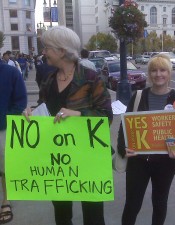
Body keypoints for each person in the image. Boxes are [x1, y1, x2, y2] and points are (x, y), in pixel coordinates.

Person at [23, 26, 113, 225]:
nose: (43, 52)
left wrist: (79, 114)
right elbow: (44, 107)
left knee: (93, 215)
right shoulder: (48, 79)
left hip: (88, 159)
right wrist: (32, 112)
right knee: (62, 214)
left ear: (62, 51)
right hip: (58, 162)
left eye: (47, 47)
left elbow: (107, 116)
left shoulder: (90, 78)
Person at [117, 54, 175, 225]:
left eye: (163, 70)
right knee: (132, 204)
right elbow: (124, 126)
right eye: (154, 70)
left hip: (165, 162)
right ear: (149, 74)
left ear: (169, 73)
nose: (158, 74)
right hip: (138, 161)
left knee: (160, 203)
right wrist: (122, 148)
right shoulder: (138, 96)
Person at [0, 63, 27, 224]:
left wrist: (3, 119)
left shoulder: (10, 73)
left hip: (2, 129)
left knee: (4, 168)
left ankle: (6, 200)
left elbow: (20, 102)